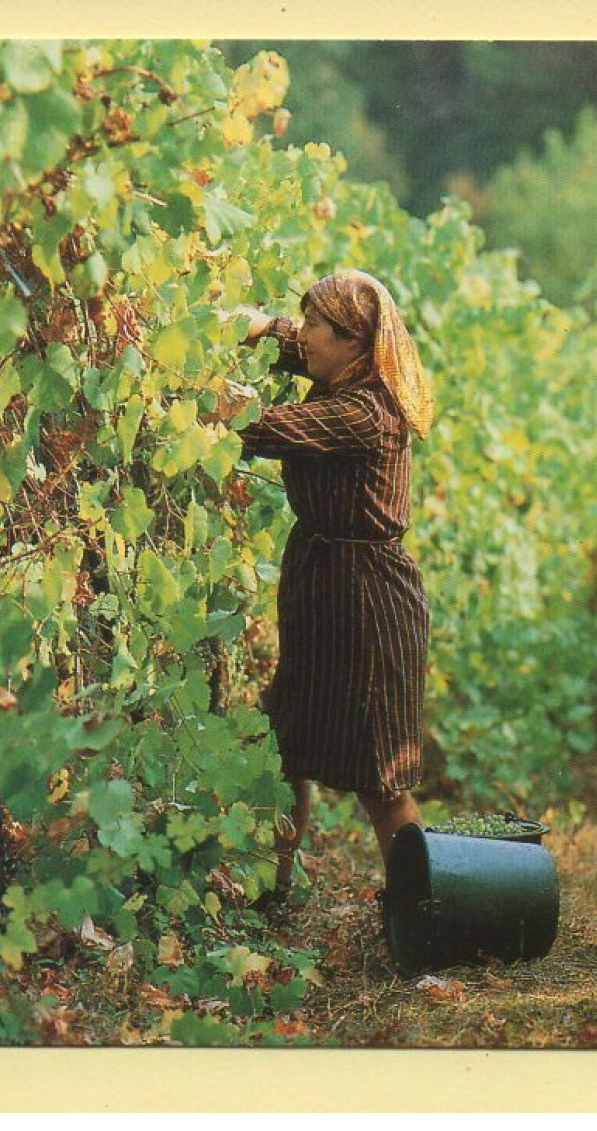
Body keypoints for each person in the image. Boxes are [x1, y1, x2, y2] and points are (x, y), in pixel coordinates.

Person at [222, 270, 434, 903]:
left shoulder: (367, 411)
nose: (305, 334)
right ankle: (274, 888)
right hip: (324, 583)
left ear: (354, 341)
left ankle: (424, 908)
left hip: (368, 597)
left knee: (380, 773)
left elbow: (265, 432)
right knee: (289, 738)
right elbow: (297, 346)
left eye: (317, 324)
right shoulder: (349, 372)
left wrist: (204, 399)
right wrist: (264, 328)